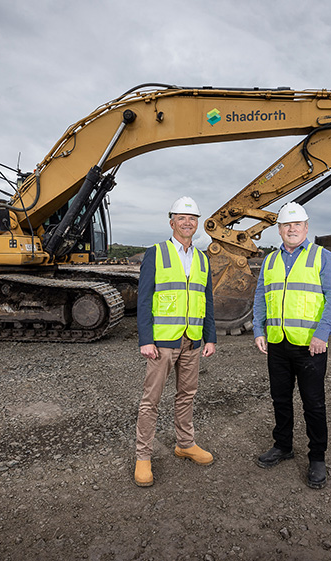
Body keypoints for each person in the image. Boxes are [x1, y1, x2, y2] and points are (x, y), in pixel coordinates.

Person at [253, 202, 331, 489]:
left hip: (310, 346)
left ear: (306, 228)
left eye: (296, 224)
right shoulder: (270, 261)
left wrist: (322, 334)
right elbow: (260, 297)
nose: (291, 229)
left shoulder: (323, 257)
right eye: (285, 225)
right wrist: (259, 329)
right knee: (280, 399)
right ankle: (283, 445)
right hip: (277, 343)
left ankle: (317, 457)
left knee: (313, 404)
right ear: (279, 230)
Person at [134, 196, 217, 487]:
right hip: (162, 342)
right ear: (172, 222)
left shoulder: (202, 258)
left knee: (187, 395)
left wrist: (211, 337)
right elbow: (144, 300)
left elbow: (205, 299)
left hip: (192, 340)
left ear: (197, 224)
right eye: (181, 218)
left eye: (192, 218)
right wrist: (146, 339)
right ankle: (143, 456)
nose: (187, 222)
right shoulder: (156, 253)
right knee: (151, 401)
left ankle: (185, 443)